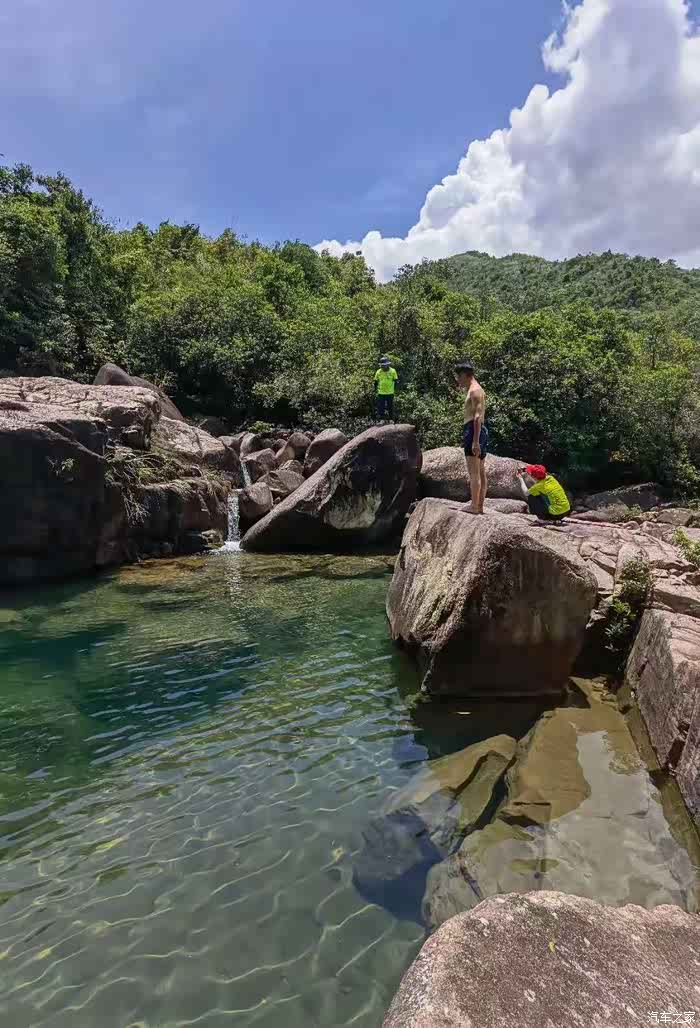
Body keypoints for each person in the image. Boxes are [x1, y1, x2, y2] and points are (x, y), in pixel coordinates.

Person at [454, 359, 488, 514]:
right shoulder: (474, 389)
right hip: (479, 431)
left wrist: (475, 440)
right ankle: (479, 506)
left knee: (474, 472)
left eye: (459, 376)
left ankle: (474, 506)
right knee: (480, 470)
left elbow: (477, 417)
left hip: (474, 430)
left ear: (466, 375)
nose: (457, 380)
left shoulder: (475, 390)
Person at [374, 355, 398, 421]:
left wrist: (395, 390)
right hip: (381, 392)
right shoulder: (378, 372)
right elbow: (375, 382)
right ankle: (382, 420)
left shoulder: (393, 371)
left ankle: (391, 419)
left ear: (388, 364)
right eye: (382, 365)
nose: (383, 366)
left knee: (390, 407)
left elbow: (396, 381)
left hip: (390, 392)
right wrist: (375, 390)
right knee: (381, 407)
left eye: (384, 365)